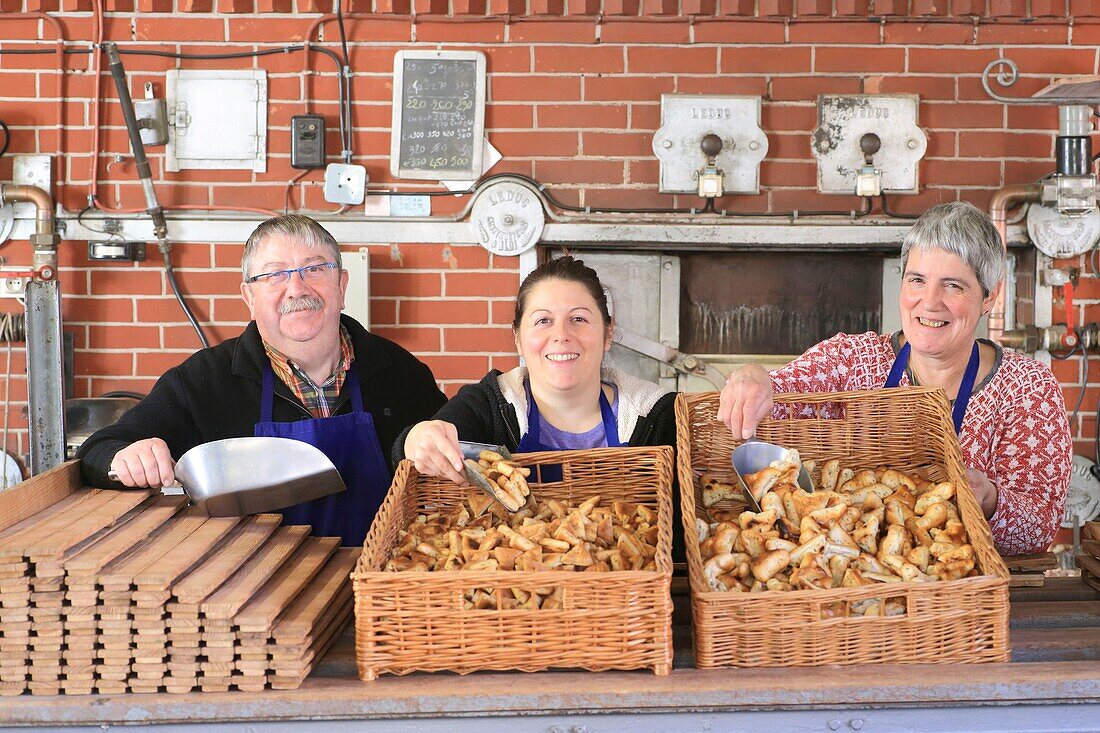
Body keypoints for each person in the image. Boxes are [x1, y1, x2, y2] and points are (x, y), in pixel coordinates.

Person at [718, 201, 1070, 556]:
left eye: (952, 286)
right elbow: (773, 398)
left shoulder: (1027, 388)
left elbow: (1038, 530)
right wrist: (752, 375)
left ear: (989, 296)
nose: (929, 302)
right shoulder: (854, 362)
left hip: (961, 590)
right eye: (917, 280)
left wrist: (991, 500)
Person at [78, 214, 447, 546]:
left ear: (341, 284)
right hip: (252, 598)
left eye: (314, 269)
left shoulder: (401, 373)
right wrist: (127, 456)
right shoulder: (204, 382)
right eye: (273, 275)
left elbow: (455, 458)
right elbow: (99, 449)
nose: (297, 288)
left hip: (384, 591)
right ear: (249, 297)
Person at [397, 255, 677, 482]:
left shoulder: (658, 415)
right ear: (518, 338)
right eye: (543, 320)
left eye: (578, 318)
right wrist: (416, 439)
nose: (561, 334)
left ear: (608, 333)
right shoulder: (488, 406)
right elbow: (416, 448)